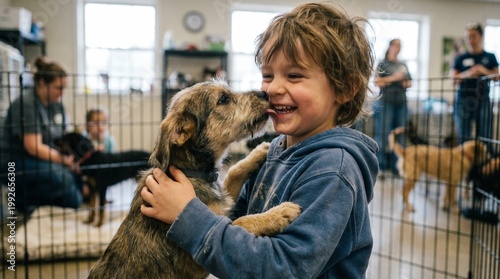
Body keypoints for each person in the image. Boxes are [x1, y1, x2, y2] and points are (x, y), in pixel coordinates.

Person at [140, 3, 378, 278]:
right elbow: (229, 225)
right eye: (267, 75)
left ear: (346, 89)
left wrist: (187, 216)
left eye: (294, 75)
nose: (272, 89)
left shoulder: (333, 171)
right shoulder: (276, 150)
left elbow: (282, 268)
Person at [0, 56, 83, 216]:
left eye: (64, 88)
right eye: (58, 88)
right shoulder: (27, 104)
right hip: (14, 162)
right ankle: (21, 200)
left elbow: (65, 134)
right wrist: (63, 160)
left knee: (75, 176)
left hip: (42, 159)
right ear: (42, 83)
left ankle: (44, 201)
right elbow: (33, 147)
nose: (62, 93)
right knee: (65, 181)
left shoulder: (56, 104)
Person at [451, 22, 498, 146]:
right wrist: (467, 74)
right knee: (464, 136)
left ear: (481, 37)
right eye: (468, 37)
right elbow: (453, 79)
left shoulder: (490, 57)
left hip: (483, 100)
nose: (471, 40)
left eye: (473, 36)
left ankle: (485, 164)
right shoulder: (460, 58)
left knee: (485, 136)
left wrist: (483, 70)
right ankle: (466, 164)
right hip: (463, 100)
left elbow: (497, 77)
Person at [373, 38, 412, 175]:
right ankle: (381, 166)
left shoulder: (403, 65)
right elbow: (377, 82)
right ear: (389, 47)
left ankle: (397, 166)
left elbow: (409, 83)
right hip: (385, 102)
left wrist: (404, 81)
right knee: (383, 134)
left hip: (401, 102)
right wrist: (394, 78)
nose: (398, 48)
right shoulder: (383, 64)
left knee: (400, 134)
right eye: (395, 45)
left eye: (400, 45)